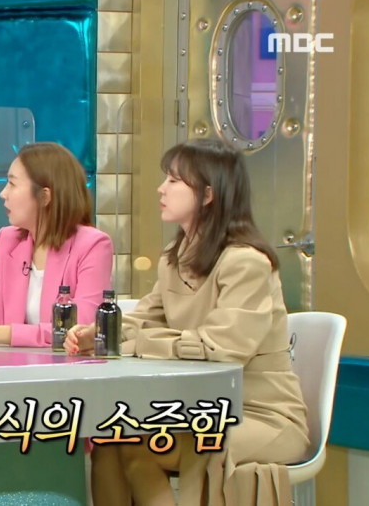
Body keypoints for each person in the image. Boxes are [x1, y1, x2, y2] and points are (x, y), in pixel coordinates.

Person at [65, 138, 309, 505]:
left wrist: (142, 344)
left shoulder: (246, 262)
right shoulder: (173, 257)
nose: (161, 189)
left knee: (152, 446)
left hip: (261, 415)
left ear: (208, 194)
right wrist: (99, 334)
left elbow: (223, 349)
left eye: (174, 180)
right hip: (200, 409)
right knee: (112, 440)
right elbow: (145, 318)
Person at [0, 142, 113, 347]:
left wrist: (2, 334)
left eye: (12, 184)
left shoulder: (93, 245)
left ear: (44, 196)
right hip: (7, 363)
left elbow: (81, 329)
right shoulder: (6, 240)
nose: (3, 193)